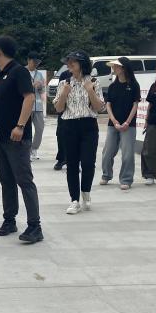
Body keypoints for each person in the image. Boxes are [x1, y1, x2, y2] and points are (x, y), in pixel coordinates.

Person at [0, 36, 43, 244]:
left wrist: (20, 125)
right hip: (1, 138)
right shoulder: (3, 74)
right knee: (6, 180)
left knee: (24, 180)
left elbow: (29, 97)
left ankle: (35, 226)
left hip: (16, 138)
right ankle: (9, 220)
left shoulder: (19, 71)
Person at [54, 51, 105, 214]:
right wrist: (64, 93)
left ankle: (86, 191)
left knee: (88, 162)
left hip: (88, 125)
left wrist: (90, 91)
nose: (69, 65)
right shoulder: (64, 83)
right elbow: (58, 108)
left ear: (82, 64)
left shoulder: (94, 82)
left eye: (72, 62)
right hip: (69, 126)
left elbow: (99, 108)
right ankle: (74, 200)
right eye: (68, 62)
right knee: (72, 164)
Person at [100, 57, 140, 190]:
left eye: (116, 66)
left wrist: (127, 122)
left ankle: (126, 179)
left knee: (127, 154)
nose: (114, 68)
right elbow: (108, 104)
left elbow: (135, 105)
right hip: (113, 125)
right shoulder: (112, 86)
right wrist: (114, 121)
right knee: (107, 152)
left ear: (123, 68)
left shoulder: (134, 85)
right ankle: (106, 175)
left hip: (129, 125)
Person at [26, 55, 46, 160]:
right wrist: (32, 85)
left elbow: (43, 90)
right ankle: (26, 151)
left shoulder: (39, 74)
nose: (36, 64)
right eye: (34, 62)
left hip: (38, 106)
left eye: (37, 62)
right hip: (26, 106)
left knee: (40, 129)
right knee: (26, 130)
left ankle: (34, 149)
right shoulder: (22, 72)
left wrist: (40, 87)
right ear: (29, 60)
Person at [52, 68, 71, 170]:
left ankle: (74, 161)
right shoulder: (64, 74)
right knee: (60, 135)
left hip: (76, 113)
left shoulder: (84, 76)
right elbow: (59, 91)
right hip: (63, 110)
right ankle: (61, 159)